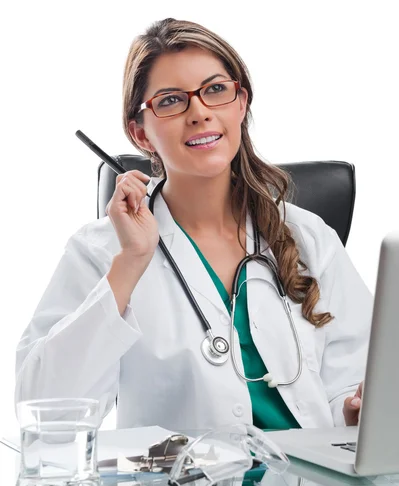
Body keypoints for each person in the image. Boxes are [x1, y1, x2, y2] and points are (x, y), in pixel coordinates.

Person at [15, 17, 372, 432]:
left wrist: (351, 412)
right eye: (170, 101)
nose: (199, 112)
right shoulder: (101, 251)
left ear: (241, 103)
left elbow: (353, 381)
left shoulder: (311, 239)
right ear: (140, 134)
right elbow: (44, 410)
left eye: (216, 90)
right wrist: (131, 262)